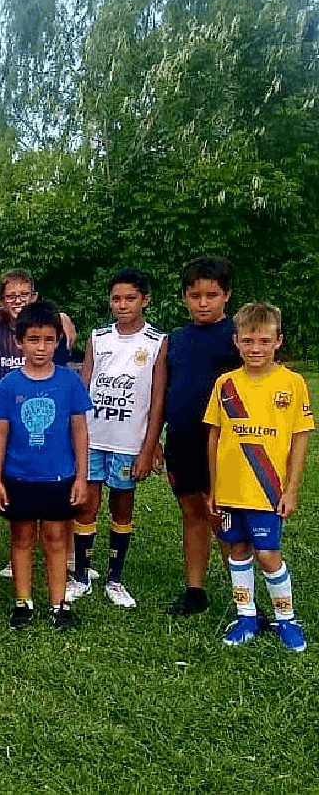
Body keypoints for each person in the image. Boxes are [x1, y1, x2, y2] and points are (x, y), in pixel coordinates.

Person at [204, 302, 312, 651]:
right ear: (236, 341)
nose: (255, 349)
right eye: (248, 341)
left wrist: (291, 489)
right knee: (237, 550)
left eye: (264, 341)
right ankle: (247, 616)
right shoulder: (225, 384)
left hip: (266, 490)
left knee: (267, 554)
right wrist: (213, 488)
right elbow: (214, 436)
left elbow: (300, 438)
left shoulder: (292, 384)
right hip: (230, 489)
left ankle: (286, 619)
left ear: (278, 341)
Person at [0, 301, 91, 631]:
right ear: (19, 341)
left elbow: (79, 429)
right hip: (18, 476)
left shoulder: (69, 381)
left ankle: (59, 603)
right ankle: (23, 601)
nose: (41, 347)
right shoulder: (8, 384)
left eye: (49, 339)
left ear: (59, 340)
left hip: (59, 476)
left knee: (57, 537)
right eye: (33, 339)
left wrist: (82, 476)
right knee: (21, 537)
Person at [68, 269, 166, 608]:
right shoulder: (99, 337)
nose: (122, 305)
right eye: (116, 299)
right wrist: (75, 433)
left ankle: (115, 579)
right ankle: (80, 576)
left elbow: (157, 400)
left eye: (130, 298)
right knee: (86, 504)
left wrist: (150, 445)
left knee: (122, 505)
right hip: (94, 437)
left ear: (145, 300)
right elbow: (82, 388)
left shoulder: (156, 342)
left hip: (129, 441)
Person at [161, 257, 242, 616]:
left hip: (223, 445)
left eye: (212, 295)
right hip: (182, 441)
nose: (203, 303)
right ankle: (195, 590)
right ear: (184, 298)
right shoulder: (175, 339)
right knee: (191, 512)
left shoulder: (238, 339)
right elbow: (163, 394)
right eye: (195, 295)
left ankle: (244, 596)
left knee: (222, 517)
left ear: (227, 295)